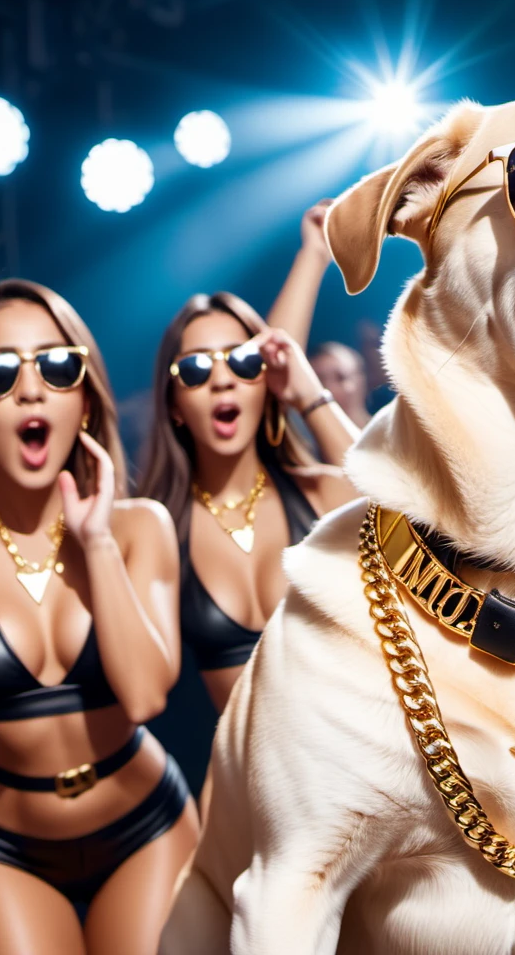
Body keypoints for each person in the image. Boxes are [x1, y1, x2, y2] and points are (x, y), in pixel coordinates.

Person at [0, 280, 191, 954]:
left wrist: (96, 541)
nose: (31, 388)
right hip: (1, 847)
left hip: (147, 825)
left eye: (56, 364)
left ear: (83, 395)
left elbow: (145, 695)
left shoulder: (138, 528)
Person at [137, 292, 358, 726]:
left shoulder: (319, 493)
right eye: (197, 368)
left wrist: (308, 395)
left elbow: (394, 506)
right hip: (246, 780)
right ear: (174, 406)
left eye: (242, 362)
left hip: (356, 769)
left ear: (265, 383)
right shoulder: (157, 529)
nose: (222, 380)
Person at [309, 341, 372, 428]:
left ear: (361, 381)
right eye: (319, 380)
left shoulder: (388, 435)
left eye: (340, 378)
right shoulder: (302, 438)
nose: (330, 389)